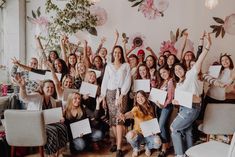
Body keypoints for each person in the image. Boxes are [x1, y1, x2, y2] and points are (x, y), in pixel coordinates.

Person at [170, 33, 211, 157]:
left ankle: (179, 155)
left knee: (174, 128)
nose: (177, 71)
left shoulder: (190, 74)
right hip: (184, 108)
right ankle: (189, 153)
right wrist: (175, 101)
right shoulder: (179, 83)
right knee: (187, 131)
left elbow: (200, 59)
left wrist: (207, 45)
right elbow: (179, 99)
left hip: (191, 109)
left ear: (184, 68)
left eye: (179, 68)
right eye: (175, 70)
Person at [14, 75, 68, 157]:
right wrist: (22, 87)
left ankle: (59, 151)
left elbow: (53, 116)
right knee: (53, 130)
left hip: (46, 124)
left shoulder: (53, 101)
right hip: (34, 125)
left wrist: (60, 118)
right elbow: (24, 98)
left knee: (62, 126)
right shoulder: (37, 96)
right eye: (48, 87)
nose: (50, 89)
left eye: (52, 87)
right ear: (42, 88)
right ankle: (51, 153)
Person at [101, 45, 131, 157]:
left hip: (121, 94)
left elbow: (128, 80)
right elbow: (105, 81)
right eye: (115, 52)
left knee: (119, 118)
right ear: (112, 54)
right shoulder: (109, 66)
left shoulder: (126, 65)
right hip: (109, 93)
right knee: (113, 119)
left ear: (121, 53)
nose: (117, 54)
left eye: (119, 52)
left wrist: (123, 95)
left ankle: (119, 148)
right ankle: (116, 142)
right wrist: (103, 96)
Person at [118, 90, 161, 157]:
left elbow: (154, 121)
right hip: (139, 134)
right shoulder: (136, 108)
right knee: (130, 135)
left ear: (145, 97)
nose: (140, 99)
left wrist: (155, 131)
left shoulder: (151, 107)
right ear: (136, 99)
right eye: (138, 97)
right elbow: (130, 113)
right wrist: (124, 116)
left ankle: (148, 147)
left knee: (158, 142)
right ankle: (136, 148)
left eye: (142, 96)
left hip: (149, 134)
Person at [156, 66, 174, 157]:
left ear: (168, 71)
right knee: (163, 127)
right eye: (161, 73)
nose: (163, 74)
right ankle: (164, 146)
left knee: (161, 125)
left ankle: (164, 148)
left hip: (166, 107)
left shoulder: (171, 81)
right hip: (160, 106)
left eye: (164, 72)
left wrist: (164, 105)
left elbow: (170, 98)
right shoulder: (163, 82)